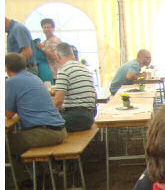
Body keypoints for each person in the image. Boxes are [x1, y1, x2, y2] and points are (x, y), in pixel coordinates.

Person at [5, 52, 67, 182]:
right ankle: (40, 175)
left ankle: (23, 182)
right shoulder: (34, 78)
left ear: (6, 67)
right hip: (60, 130)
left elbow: (8, 113)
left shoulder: (11, 82)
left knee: (6, 145)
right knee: (18, 139)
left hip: (43, 133)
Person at [52, 42, 97, 132]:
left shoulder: (64, 70)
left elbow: (58, 101)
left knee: (43, 126)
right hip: (90, 115)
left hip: (75, 117)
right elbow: (94, 96)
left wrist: (47, 115)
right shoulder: (85, 69)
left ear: (58, 56)